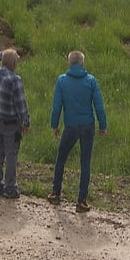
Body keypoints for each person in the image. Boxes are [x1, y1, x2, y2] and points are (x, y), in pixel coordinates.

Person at [48, 50, 107, 213]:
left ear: (69, 63)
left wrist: (55, 125)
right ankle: (81, 200)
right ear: (82, 63)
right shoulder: (91, 81)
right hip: (88, 126)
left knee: (61, 158)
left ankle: (56, 193)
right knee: (85, 163)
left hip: (71, 126)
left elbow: (56, 106)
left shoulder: (61, 81)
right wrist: (103, 125)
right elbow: (99, 106)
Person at [0, 49, 30, 198]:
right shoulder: (15, 80)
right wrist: (26, 121)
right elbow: (21, 104)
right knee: (11, 154)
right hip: (10, 123)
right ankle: (10, 187)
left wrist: (1, 53)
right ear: (15, 63)